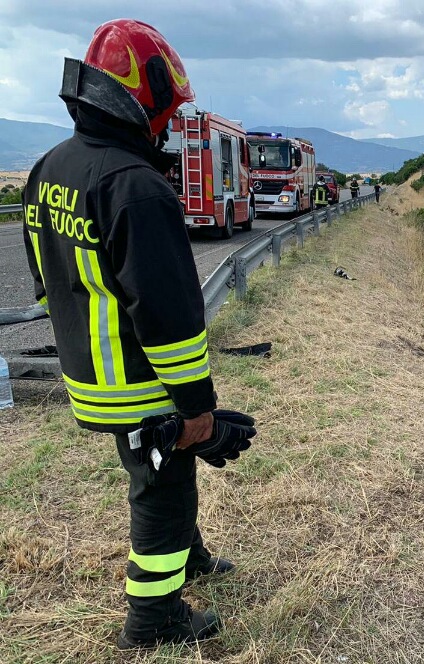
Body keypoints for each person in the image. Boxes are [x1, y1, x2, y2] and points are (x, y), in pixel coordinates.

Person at [21, 19, 243, 650]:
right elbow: (170, 319)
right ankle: (155, 618)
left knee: (164, 469)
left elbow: (43, 274)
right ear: (142, 98)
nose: (167, 126)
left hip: (86, 372)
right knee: (162, 485)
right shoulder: (137, 185)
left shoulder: (49, 167)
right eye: (165, 112)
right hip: (137, 382)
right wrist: (198, 408)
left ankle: (189, 555)